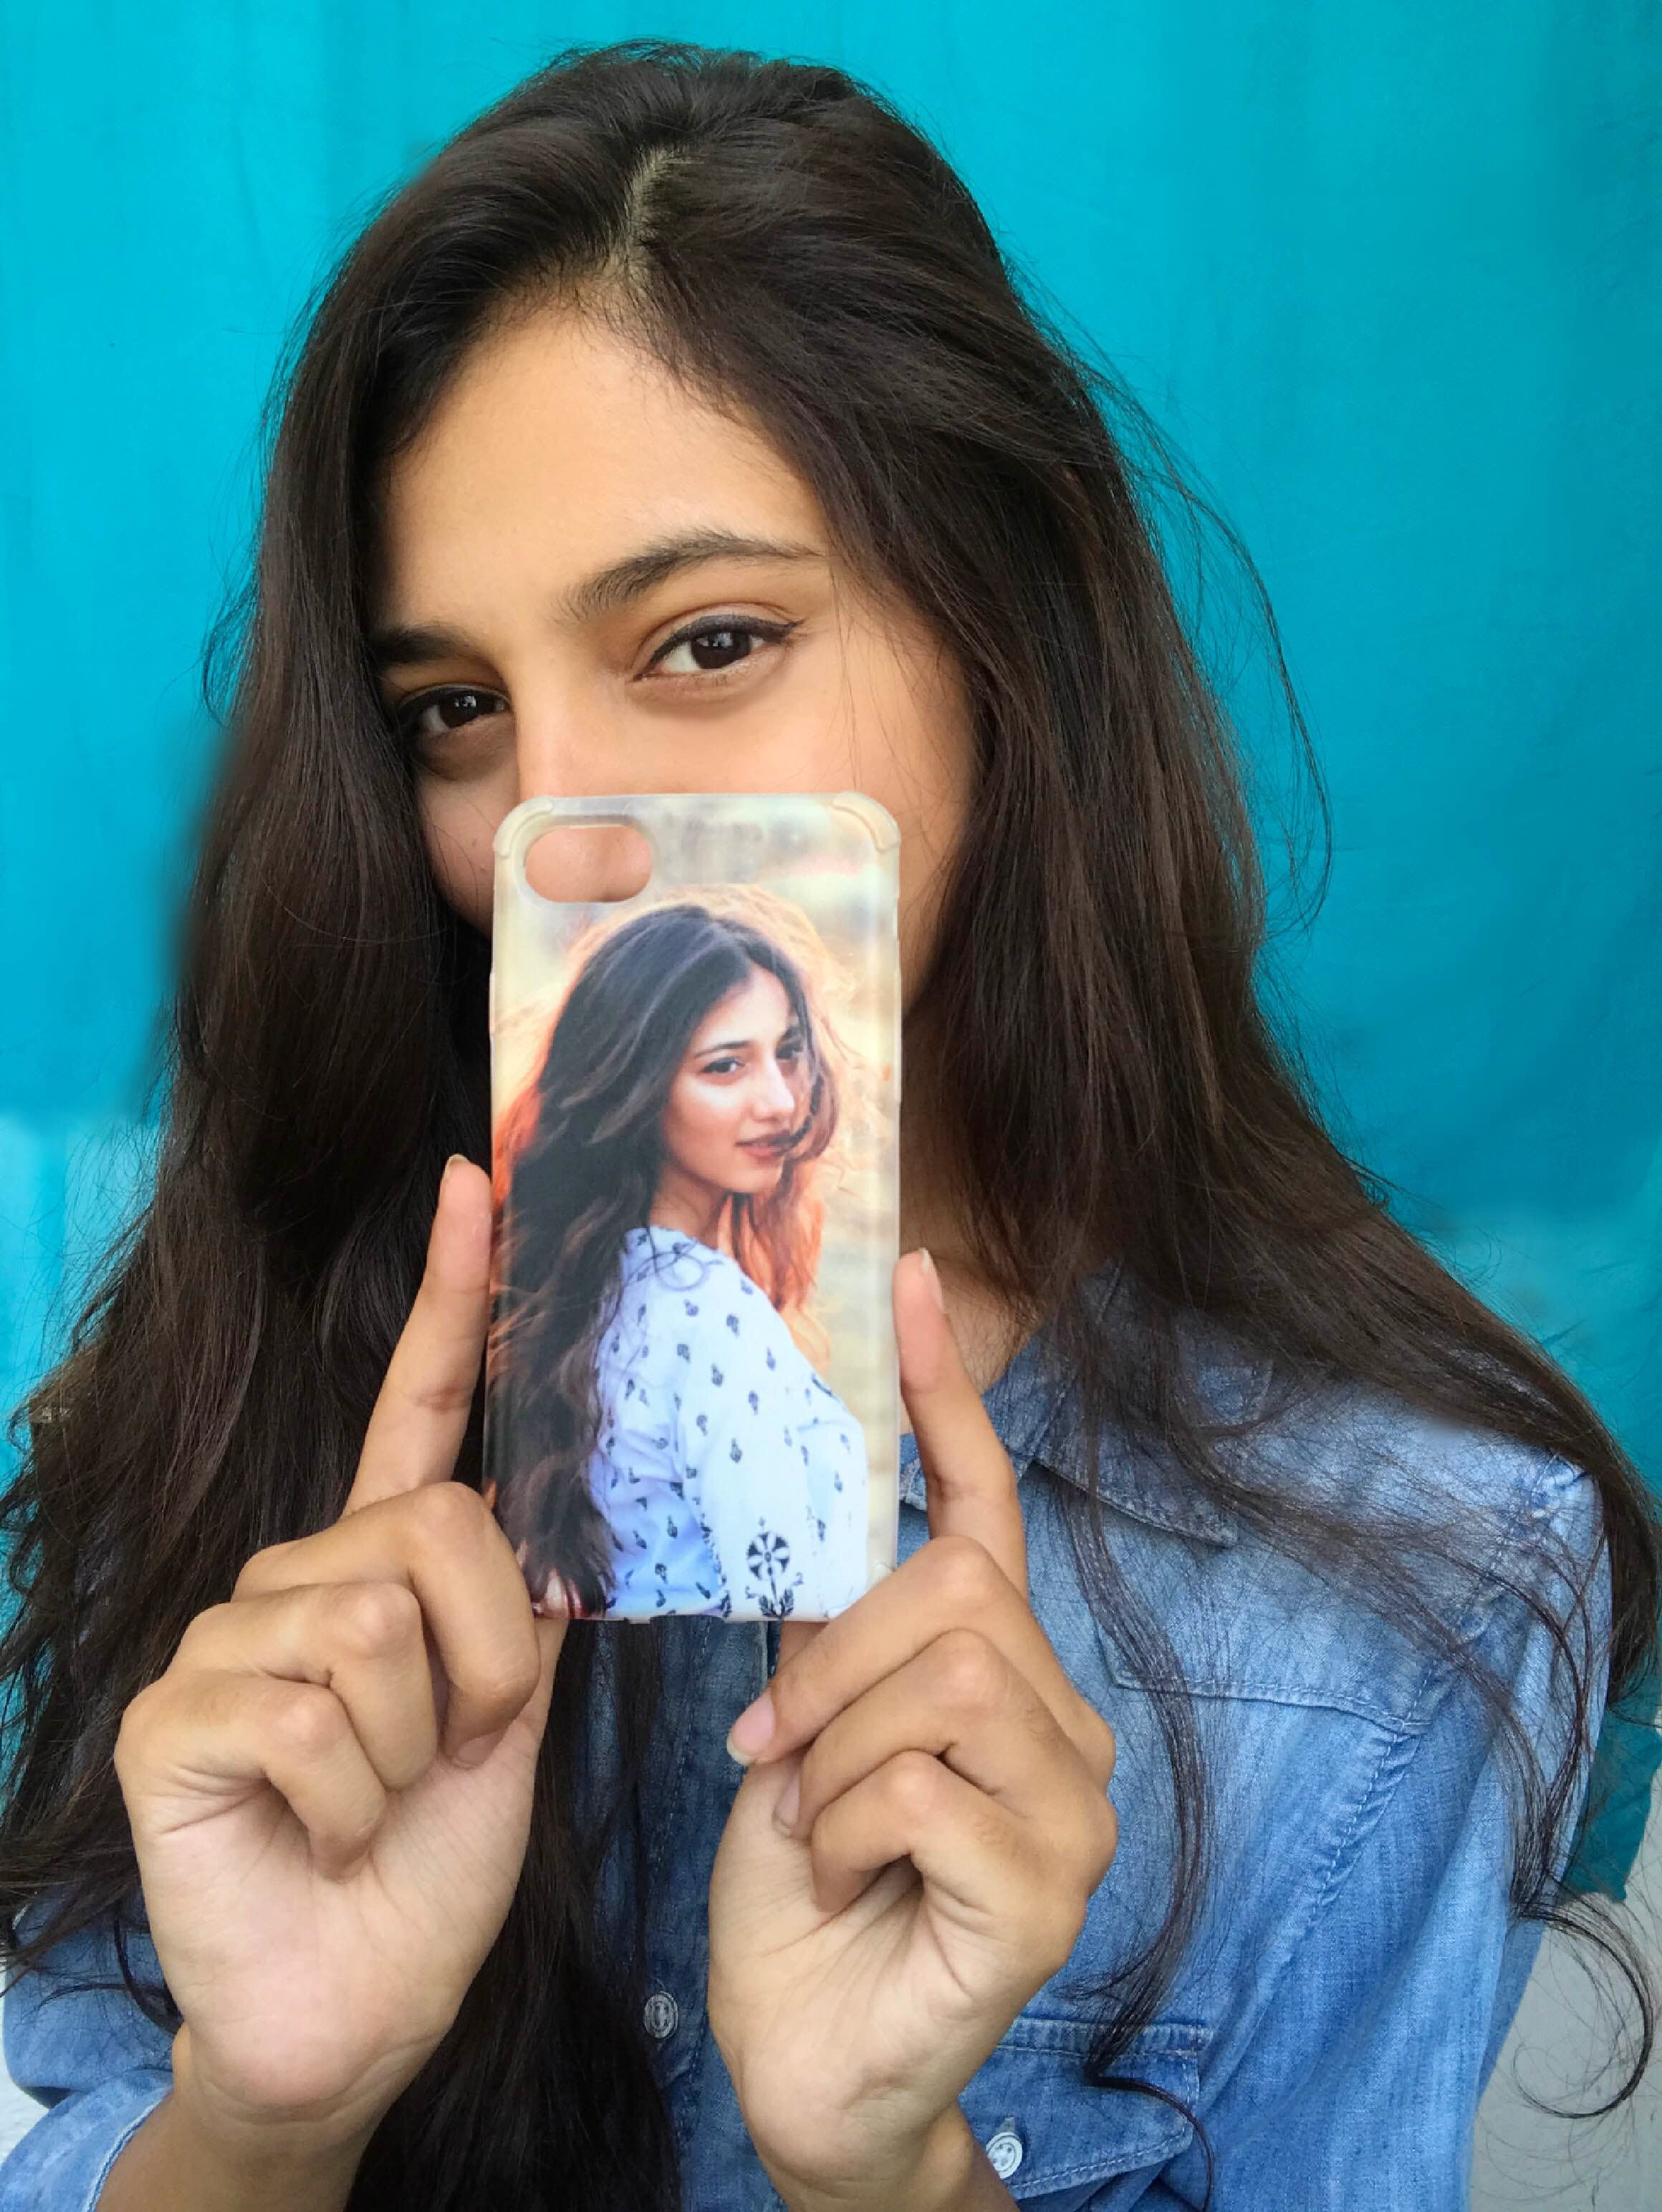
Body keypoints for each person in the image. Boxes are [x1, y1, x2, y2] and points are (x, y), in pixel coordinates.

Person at [0, 36, 1656, 2212]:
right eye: (452, 711)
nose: (552, 834)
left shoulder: (1427, 1579)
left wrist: (892, 2170)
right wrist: (259, 2123)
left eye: (703, 638)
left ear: (1008, 632)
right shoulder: (235, 1382)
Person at [486, 900, 872, 1623]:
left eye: (786, 1051)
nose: (781, 1099)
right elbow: (785, 1606)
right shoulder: (709, 1312)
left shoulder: (597, 1286)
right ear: (635, 1086)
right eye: (725, 1066)